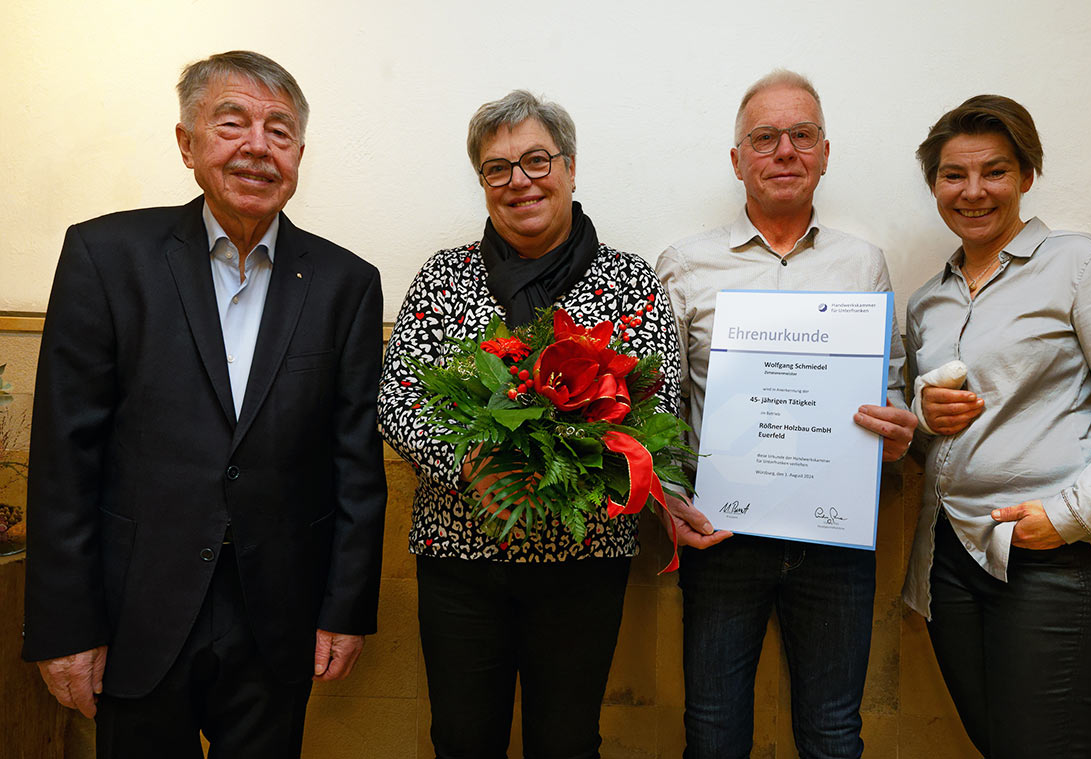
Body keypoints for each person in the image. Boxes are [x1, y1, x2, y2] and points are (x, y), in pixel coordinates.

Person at [22, 51, 388, 758]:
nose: (258, 146)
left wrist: (345, 609)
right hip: (136, 608)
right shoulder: (106, 256)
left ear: (299, 154)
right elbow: (64, 458)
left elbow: (355, 464)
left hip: (277, 614)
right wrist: (65, 626)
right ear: (187, 143)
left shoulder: (346, 282)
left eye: (279, 130)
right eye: (232, 123)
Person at [377, 89, 681, 757]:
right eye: (497, 168)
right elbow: (399, 397)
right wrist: (470, 464)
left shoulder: (630, 283)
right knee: (461, 740)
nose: (519, 181)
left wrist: (559, 470)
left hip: (583, 562)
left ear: (570, 167)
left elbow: (657, 408)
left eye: (536, 160)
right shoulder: (444, 277)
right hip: (460, 560)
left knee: (567, 743)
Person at [902, 94, 1091, 757]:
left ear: (1027, 175)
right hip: (951, 562)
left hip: (1055, 562)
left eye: (994, 171)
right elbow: (927, 442)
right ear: (935, 185)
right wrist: (922, 419)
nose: (973, 191)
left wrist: (1069, 516)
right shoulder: (927, 301)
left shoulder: (1082, 264)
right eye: (953, 174)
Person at [655, 70, 917, 759]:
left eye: (802, 135)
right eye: (764, 137)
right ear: (737, 159)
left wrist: (896, 429)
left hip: (836, 540)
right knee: (713, 733)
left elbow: (890, 388)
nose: (784, 151)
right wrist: (670, 499)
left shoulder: (863, 264)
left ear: (825, 153)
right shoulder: (685, 265)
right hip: (720, 535)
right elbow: (662, 406)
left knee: (833, 734)